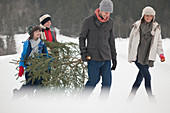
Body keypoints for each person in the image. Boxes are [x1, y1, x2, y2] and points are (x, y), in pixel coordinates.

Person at [79, 0, 117, 99]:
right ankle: (81, 101)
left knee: (107, 84)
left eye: (109, 13)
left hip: (106, 57)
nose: (107, 15)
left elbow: (111, 41)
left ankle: (102, 106)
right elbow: (82, 38)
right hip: (93, 57)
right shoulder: (88, 21)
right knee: (93, 81)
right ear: (100, 10)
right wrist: (84, 53)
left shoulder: (110, 22)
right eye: (105, 12)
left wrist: (114, 58)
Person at [128, 6, 165, 101]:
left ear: (153, 17)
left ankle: (131, 96)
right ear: (143, 16)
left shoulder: (156, 28)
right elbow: (131, 41)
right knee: (147, 76)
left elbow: (158, 43)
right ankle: (151, 97)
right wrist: (131, 56)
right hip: (137, 56)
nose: (148, 18)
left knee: (139, 78)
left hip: (147, 57)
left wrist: (161, 54)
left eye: (150, 16)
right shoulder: (137, 26)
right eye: (147, 16)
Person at [13, 25, 49, 98]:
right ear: (32, 33)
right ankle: (22, 96)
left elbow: (46, 56)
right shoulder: (27, 43)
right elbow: (23, 56)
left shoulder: (42, 43)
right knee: (29, 86)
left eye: (39, 31)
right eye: (36, 31)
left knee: (40, 85)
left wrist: (47, 67)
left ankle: (37, 100)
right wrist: (21, 66)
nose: (38, 33)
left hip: (39, 68)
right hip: (30, 68)